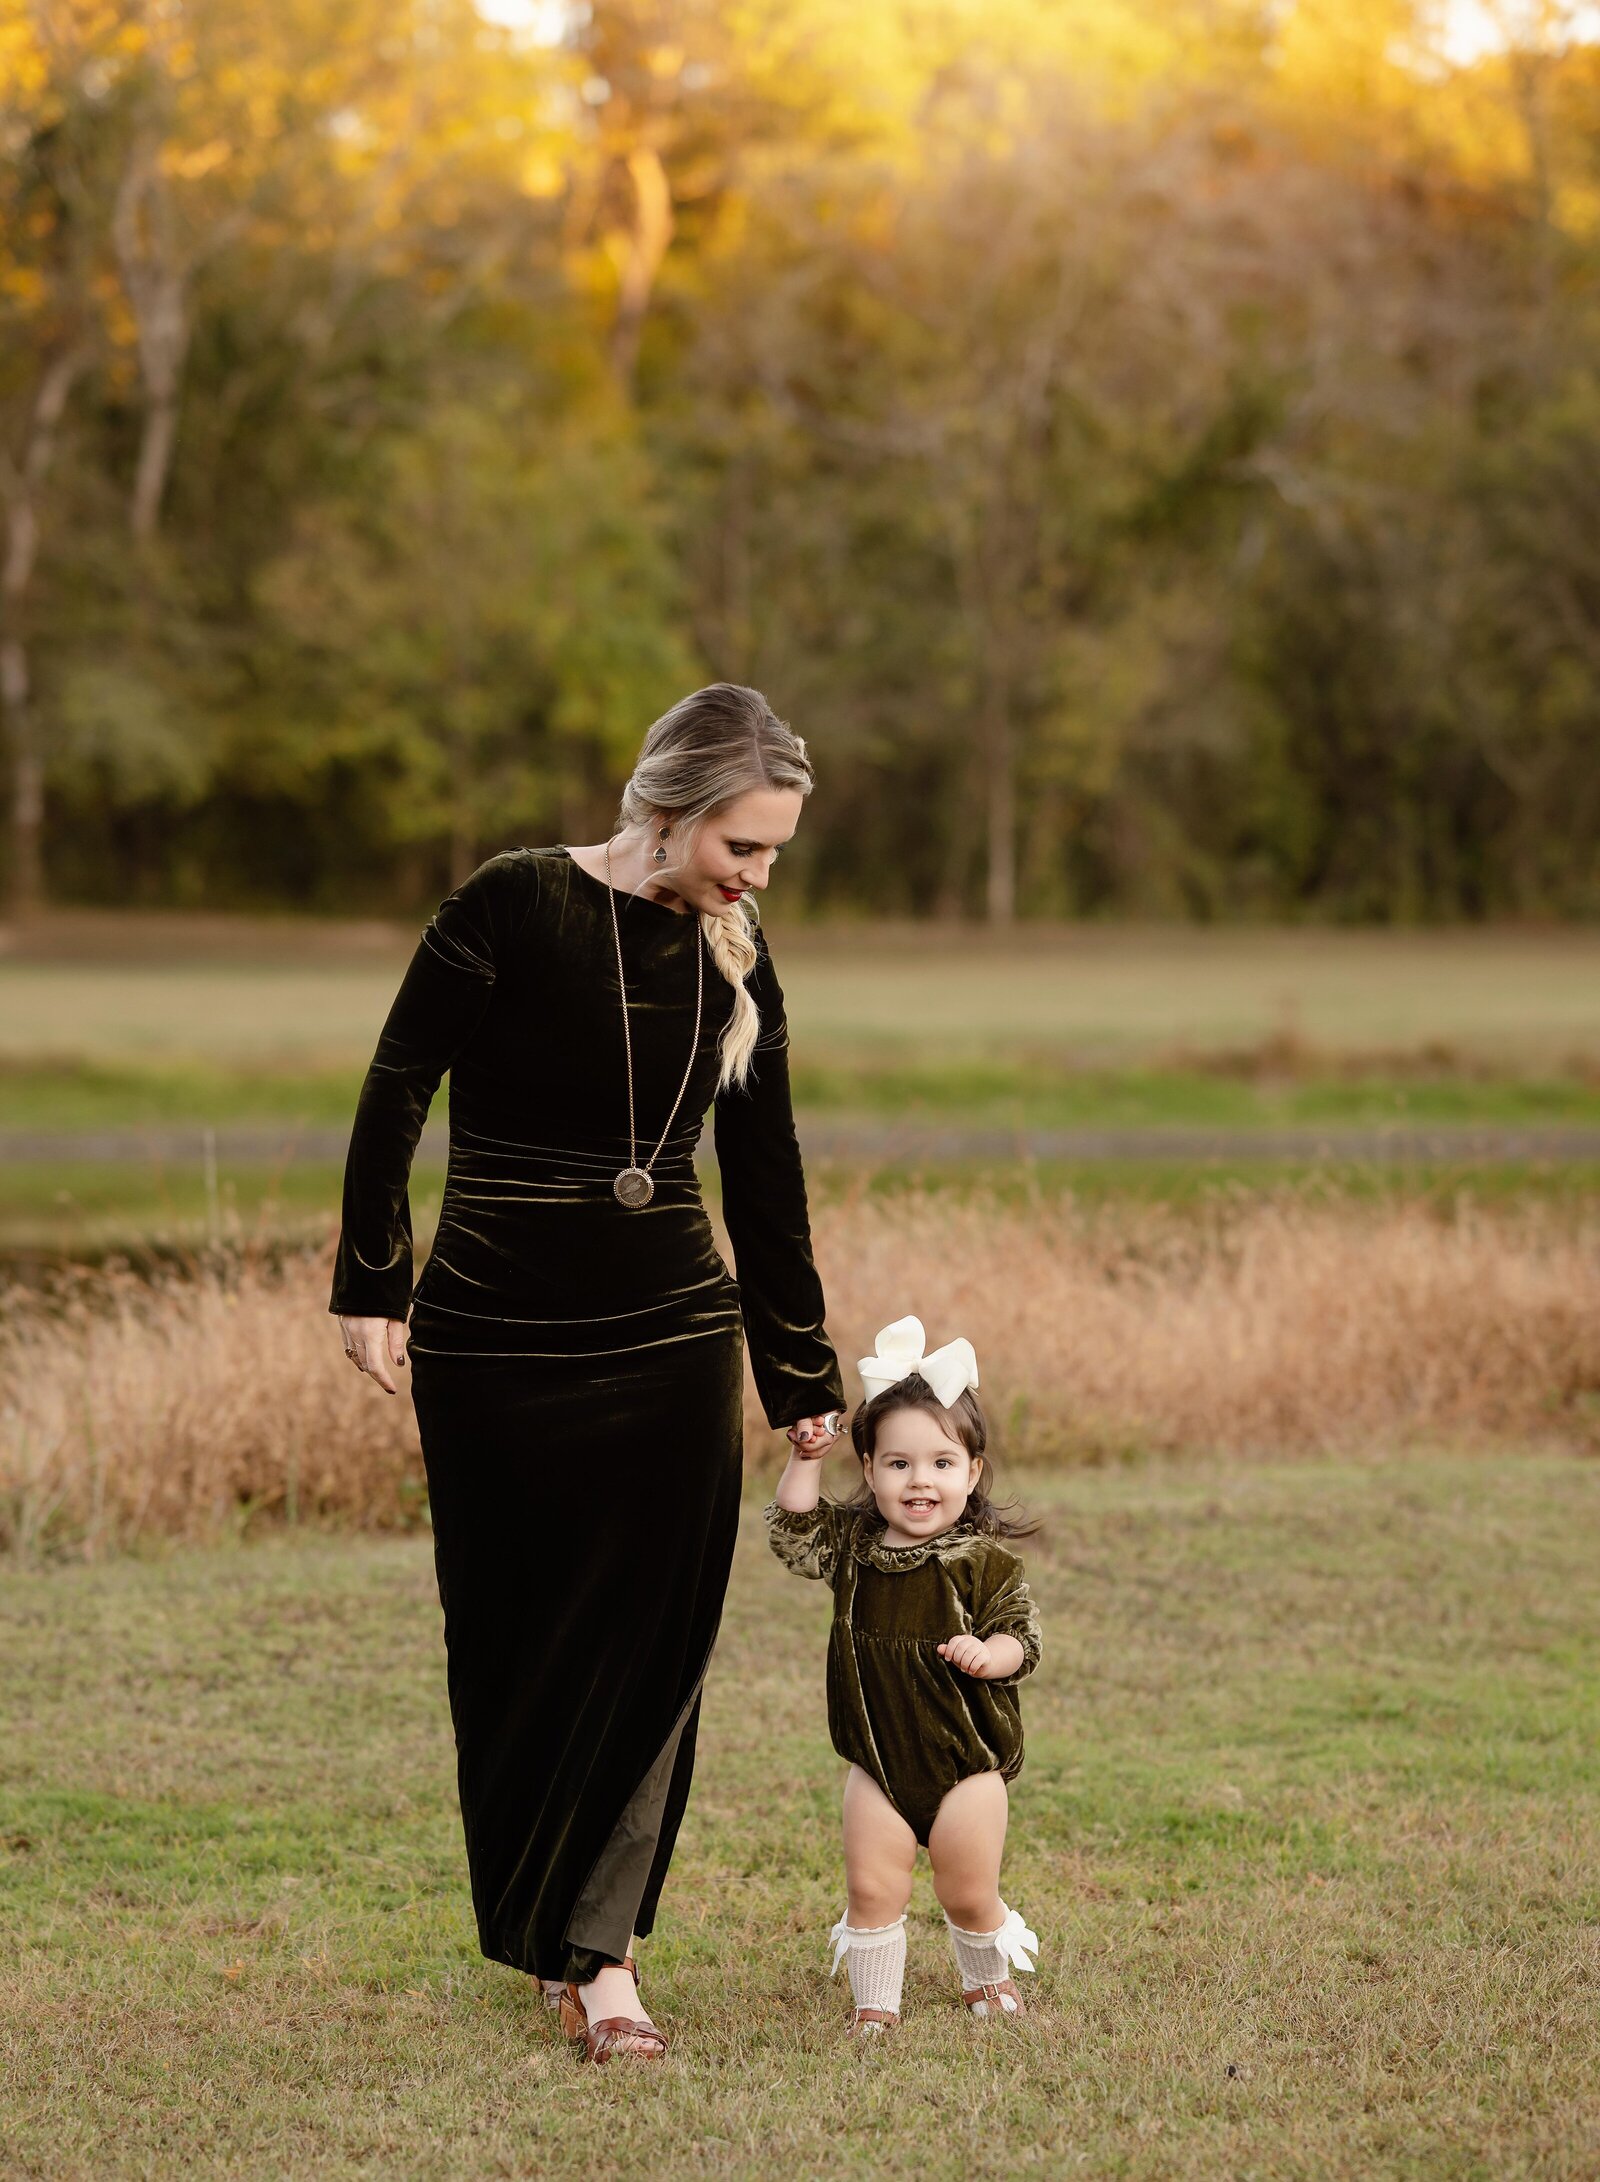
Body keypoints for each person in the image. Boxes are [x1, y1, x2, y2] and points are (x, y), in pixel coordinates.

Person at [330, 684, 845, 2065]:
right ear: (665, 811)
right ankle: (544, 1924)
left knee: (656, 1635)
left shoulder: (738, 953)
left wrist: (798, 1360)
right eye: (743, 845)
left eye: (777, 851)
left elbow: (768, 1172)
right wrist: (373, 1275)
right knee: (512, 1638)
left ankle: (602, 1958)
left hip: (671, 1327)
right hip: (494, 1326)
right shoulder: (512, 903)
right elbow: (397, 1084)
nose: (758, 874)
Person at [765, 1314, 1043, 2036]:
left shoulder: (982, 1563)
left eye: (942, 1464)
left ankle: (986, 1979)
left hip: (965, 1764)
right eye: (899, 1464)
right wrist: (804, 1457)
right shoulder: (853, 1547)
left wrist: (993, 1655)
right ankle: (874, 2005)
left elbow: (1023, 1637)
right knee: (871, 1885)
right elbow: (792, 1531)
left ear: (972, 1472)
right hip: (877, 1760)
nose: (921, 1481)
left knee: (968, 1891)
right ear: (869, 1470)